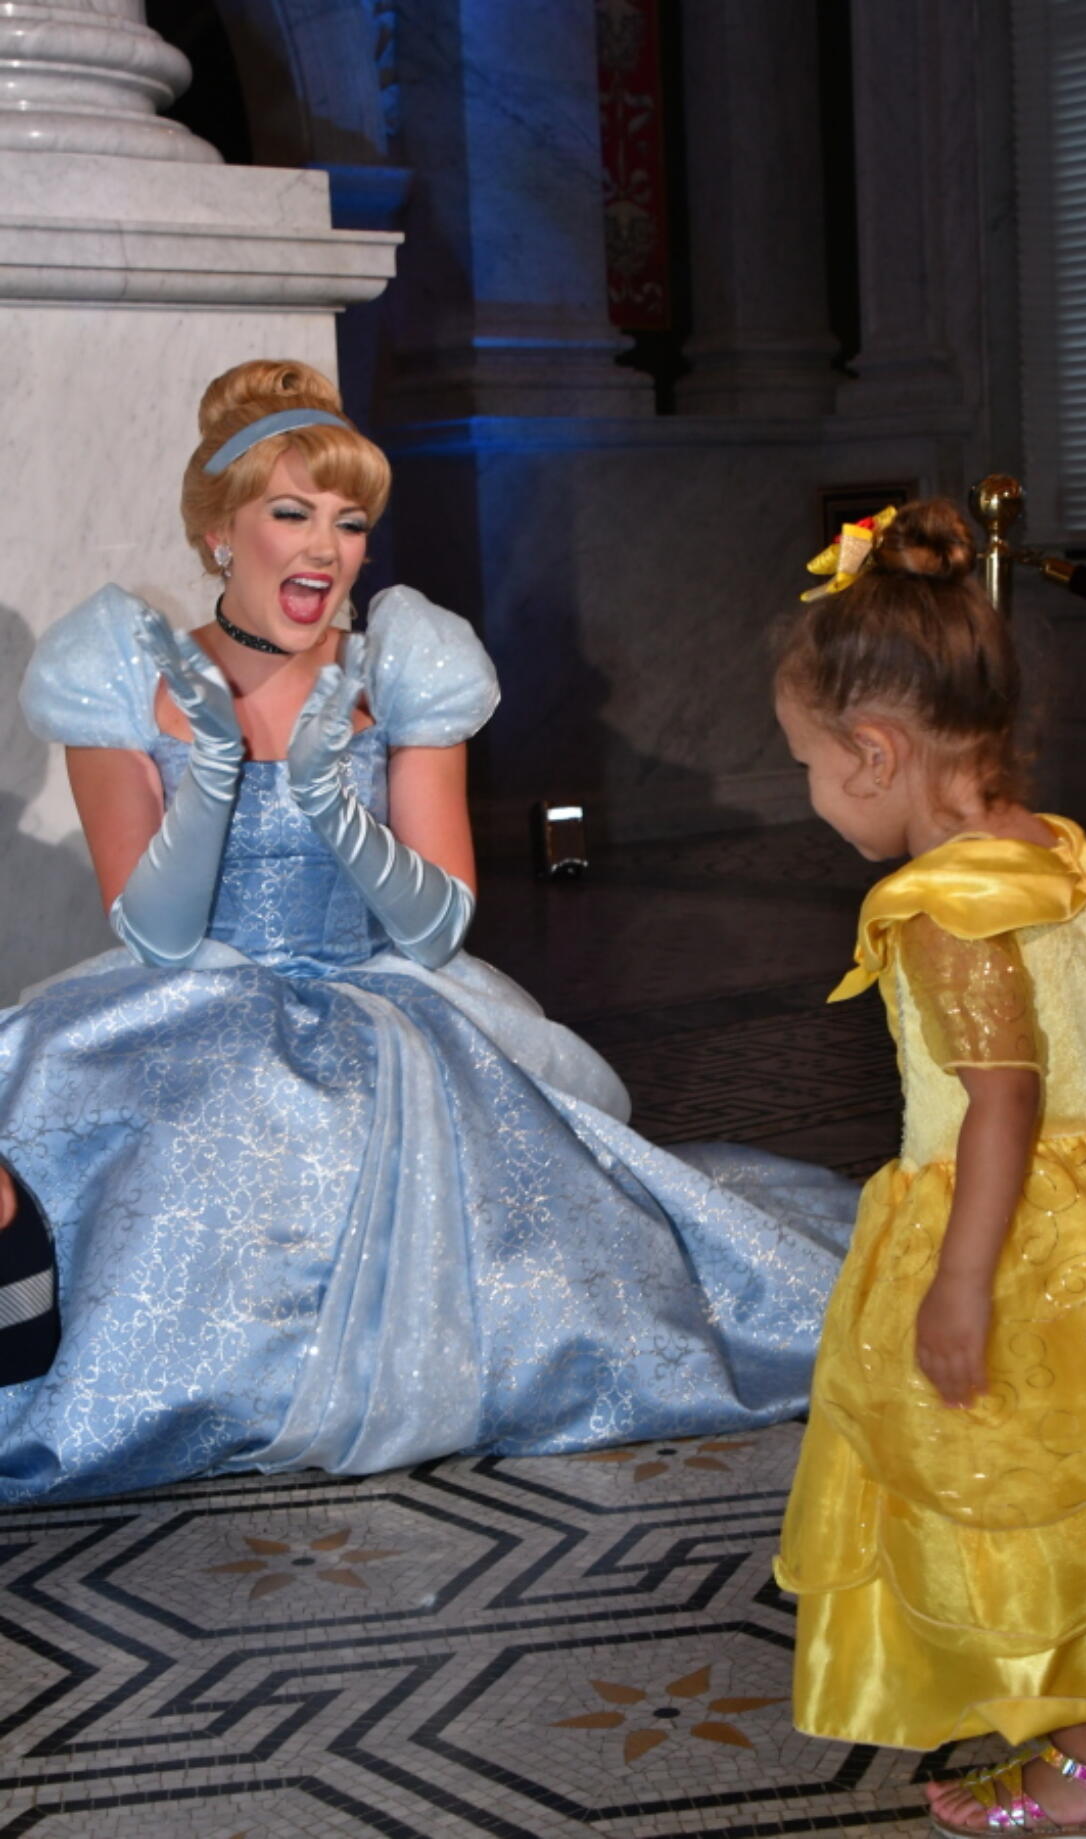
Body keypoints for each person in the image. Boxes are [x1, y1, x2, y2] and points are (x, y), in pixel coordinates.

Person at [0, 358, 857, 1503]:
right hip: (196, 990)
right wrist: (211, 769)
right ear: (218, 534)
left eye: (350, 524)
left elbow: (437, 918)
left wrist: (325, 802)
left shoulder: (398, 668)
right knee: (162, 1104)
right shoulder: (125, 677)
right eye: (291, 515)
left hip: (383, 999)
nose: (324, 549)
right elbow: (155, 936)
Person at [771, 499, 1086, 1836]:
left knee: (1005, 1485)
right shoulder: (1038, 845)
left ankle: (1083, 1762)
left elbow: (1002, 1101)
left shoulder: (934, 909)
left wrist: (960, 1274)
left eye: (804, 760)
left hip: (1010, 1227)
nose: (805, 790)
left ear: (874, 749)